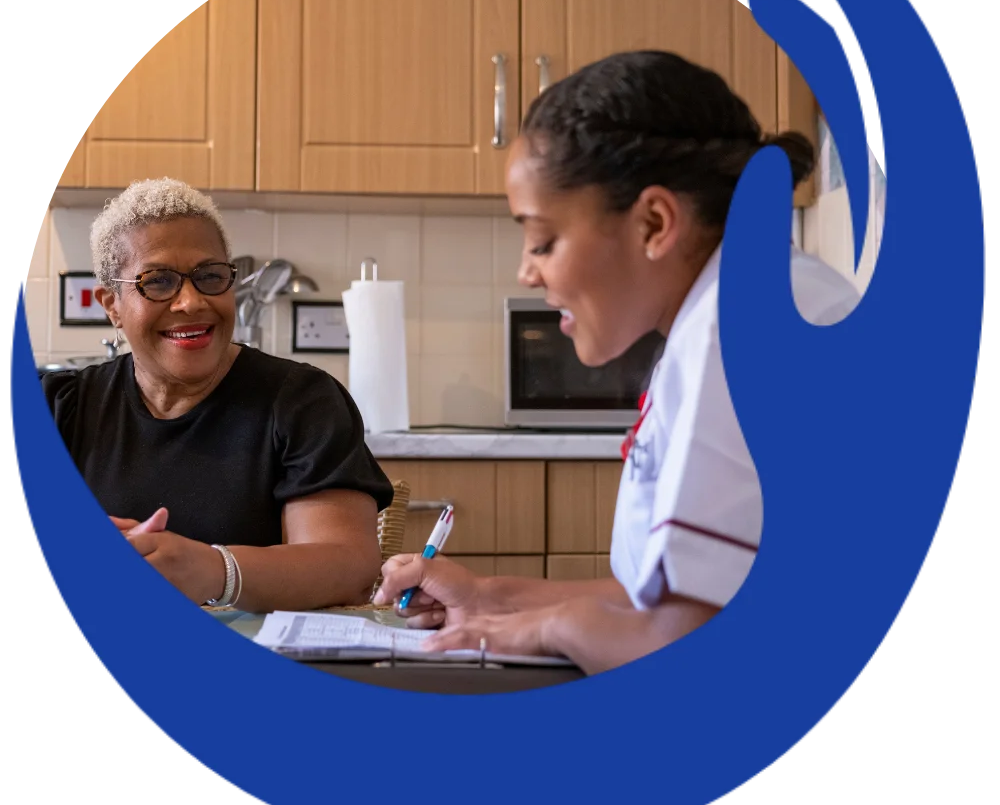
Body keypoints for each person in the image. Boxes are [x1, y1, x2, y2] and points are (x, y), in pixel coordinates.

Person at [374, 50, 861, 675]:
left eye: (543, 240)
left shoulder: (739, 324)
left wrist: (551, 626)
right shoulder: (732, 309)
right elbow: (671, 602)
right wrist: (491, 596)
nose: (526, 271)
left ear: (654, 223)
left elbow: (690, 650)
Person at [42, 178, 394, 613]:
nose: (191, 302)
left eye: (210, 276)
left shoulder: (302, 402)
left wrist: (214, 570)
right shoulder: (61, 407)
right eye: (158, 281)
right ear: (112, 305)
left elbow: (347, 567)